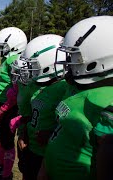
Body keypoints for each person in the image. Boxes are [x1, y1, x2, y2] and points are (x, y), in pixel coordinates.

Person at [38, 16, 113, 180]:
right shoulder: (76, 88)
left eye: (73, 57)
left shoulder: (105, 102)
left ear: (98, 58)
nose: (67, 63)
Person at [18, 34, 67, 180]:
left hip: (48, 154)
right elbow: (28, 114)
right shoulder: (36, 84)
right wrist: (23, 133)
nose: (29, 69)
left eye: (33, 64)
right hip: (31, 148)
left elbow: (68, 124)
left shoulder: (63, 89)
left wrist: (51, 134)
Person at [0, 27, 27, 180]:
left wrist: (1, 110)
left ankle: (6, 174)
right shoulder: (6, 59)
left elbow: (16, 94)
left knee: (7, 141)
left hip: (10, 107)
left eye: (2, 46)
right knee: (2, 138)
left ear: (15, 45)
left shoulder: (15, 61)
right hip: (3, 104)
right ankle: (0, 166)